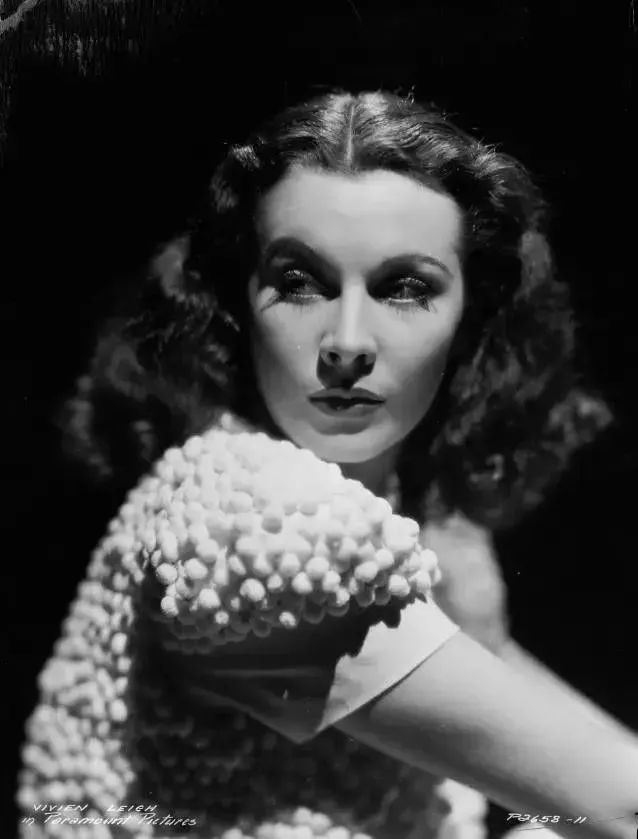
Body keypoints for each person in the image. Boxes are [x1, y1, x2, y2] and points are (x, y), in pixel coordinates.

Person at [57, 90, 637, 838]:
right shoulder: (252, 519)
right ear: (236, 303)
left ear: (472, 320)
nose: (348, 342)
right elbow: (619, 804)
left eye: (406, 287)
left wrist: (482, 631)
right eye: (299, 282)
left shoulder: (386, 510)